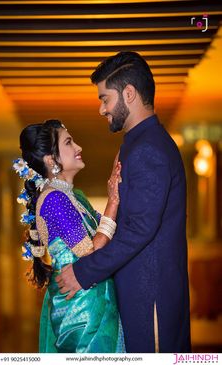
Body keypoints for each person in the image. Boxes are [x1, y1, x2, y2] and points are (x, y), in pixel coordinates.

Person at [55, 51, 192, 353]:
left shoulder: (148, 150)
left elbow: (139, 229)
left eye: (105, 98)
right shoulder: (141, 145)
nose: (102, 109)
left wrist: (83, 272)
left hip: (150, 300)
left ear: (128, 93)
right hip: (142, 293)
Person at [14, 119, 125, 353]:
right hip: (81, 311)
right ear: (51, 160)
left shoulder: (73, 197)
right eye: (68, 142)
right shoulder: (54, 200)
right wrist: (113, 201)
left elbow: (107, 229)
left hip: (89, 300)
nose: (79, 147)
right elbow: (90, 252)